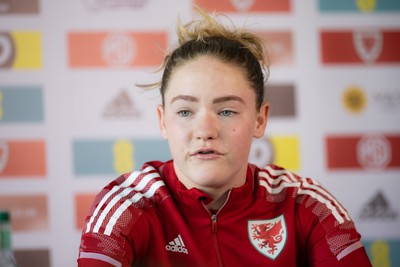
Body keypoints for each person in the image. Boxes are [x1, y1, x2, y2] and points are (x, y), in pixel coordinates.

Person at [77, 10, 372, 267]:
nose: (205, 130)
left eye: (227, 111)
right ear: (162, 121)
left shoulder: (305, 204)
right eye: (184, 111)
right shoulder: (127, 207)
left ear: (260, 120)